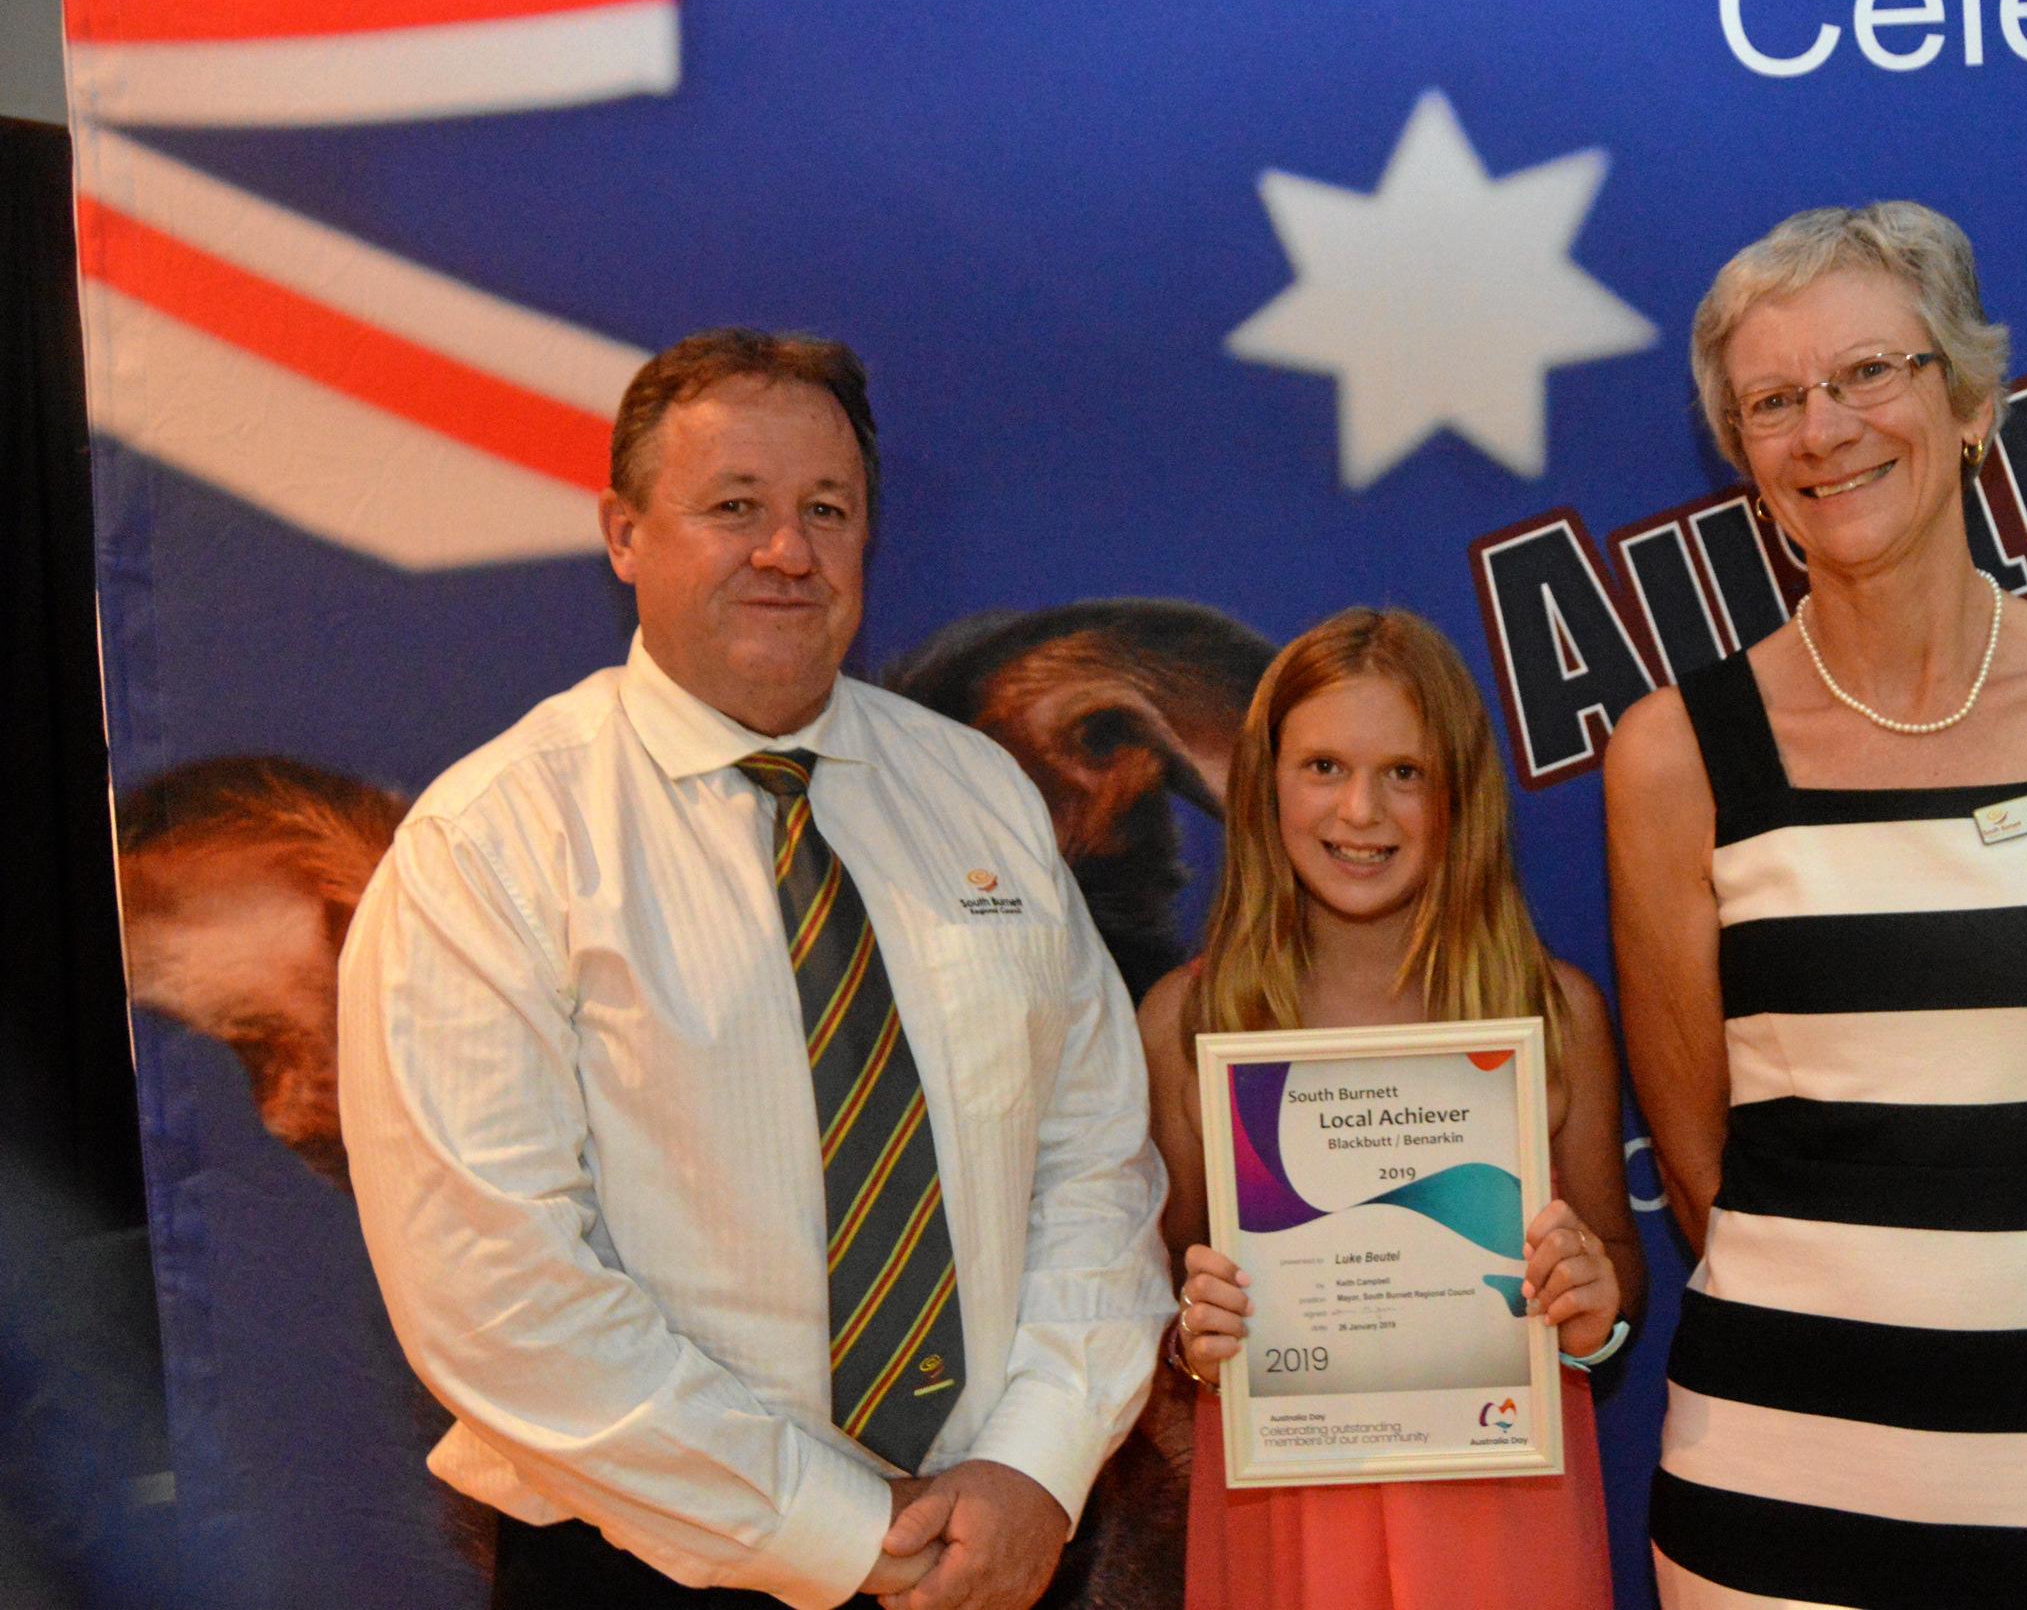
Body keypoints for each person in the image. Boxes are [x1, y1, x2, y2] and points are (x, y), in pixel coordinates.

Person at [336, 328, 1174, 1610]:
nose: (787, 550)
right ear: (624, 533)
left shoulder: (979, 797)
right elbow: (495, 1288)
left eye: (825, 511)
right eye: (736, 506)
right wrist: (836, 1522)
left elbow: (1096, 1160)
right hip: (647, 1563)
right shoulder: (495, 841)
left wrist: (1038, 1465)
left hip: (994, 1551)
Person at [1606, 203, 2027, 1609]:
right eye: (1774, 401)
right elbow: (1695, 1161)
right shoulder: (1675, 756)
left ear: (1969, 399)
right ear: (1742, 461)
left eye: (1870, 373)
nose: (1824, 427)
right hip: (1773, 1504)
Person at [1139, 607, 1646, 1610]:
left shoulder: (1551, 1012)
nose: (1361, 810)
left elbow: (1621, 1266)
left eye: (1404, 772)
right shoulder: (1190, 1019)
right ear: (1264, 783)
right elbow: (1160, 1297)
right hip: (1280, 1510)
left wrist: (1596, 1309)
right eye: (1323, 766)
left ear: (1460, 792)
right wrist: (1190, 1336)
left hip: (1505, 1503)